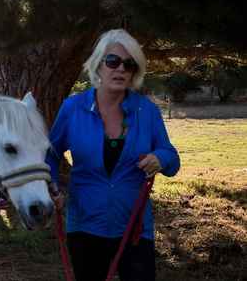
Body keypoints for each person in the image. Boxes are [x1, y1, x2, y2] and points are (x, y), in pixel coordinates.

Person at [46, 29, 180, 281]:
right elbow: (50, 155)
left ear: (134, 72)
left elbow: (172, 159)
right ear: (98, 66)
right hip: (85, 227)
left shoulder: (147, 111)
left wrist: (160, 158)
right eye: (112, 61)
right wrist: (52, 186)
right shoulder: (72, 108)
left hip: (135, 230)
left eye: (129, 65)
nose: (120, 69)